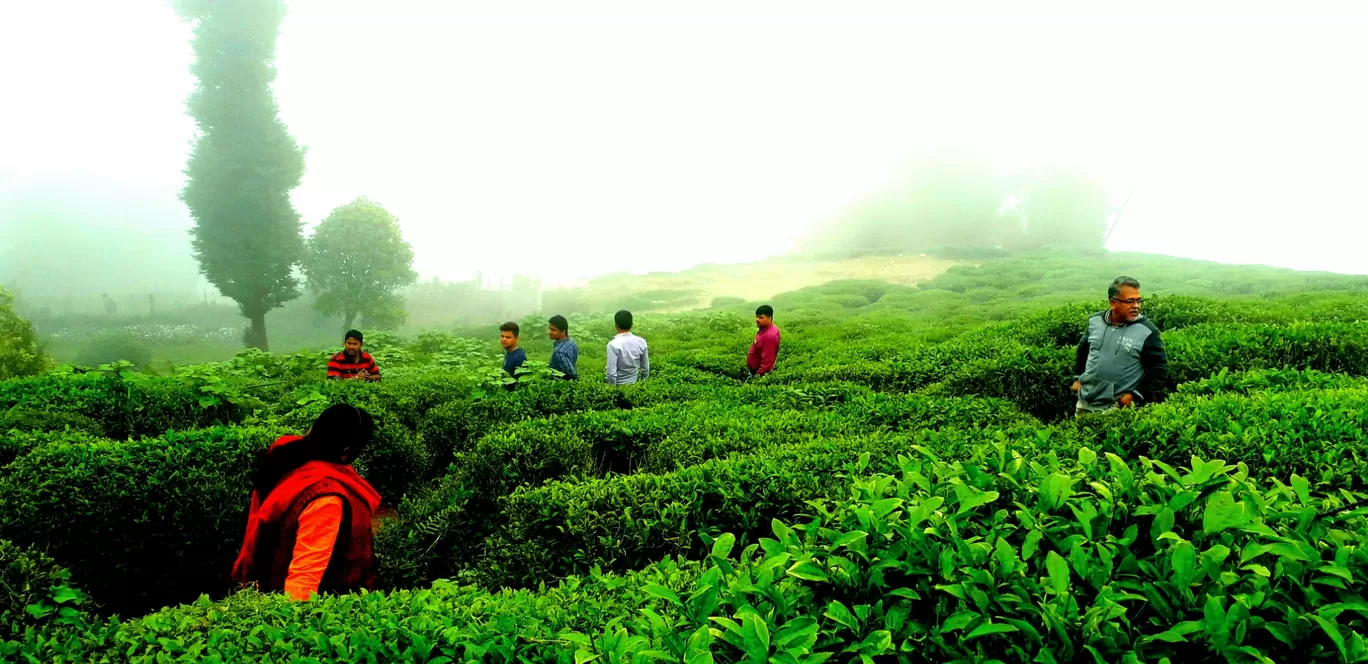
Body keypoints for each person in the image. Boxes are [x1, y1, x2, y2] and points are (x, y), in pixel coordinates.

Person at [230, 403, 381, 601]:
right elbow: (304, 576)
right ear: (347, 450)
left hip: (269, 581)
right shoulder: (327, 498)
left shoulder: (289, 457)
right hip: (323, 607)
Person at [1072, 276, 1170, 417]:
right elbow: (1083, 351)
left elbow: (1159, 368)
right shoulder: (1095, 322)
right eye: (1130, 301)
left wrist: (1135, 396)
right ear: (1113, 303)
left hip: (1117, 408)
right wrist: (1077, 379)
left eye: (1138, 301)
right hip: (1084, 403)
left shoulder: (1147, 331)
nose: (1136, 306)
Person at [605, 309, 649, 385]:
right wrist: (642, 384)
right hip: (634, 383)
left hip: (618, 385)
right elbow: (645, 367)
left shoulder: (613, 344)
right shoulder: (641, 342)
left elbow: (611, 373)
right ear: (631, 323)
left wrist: (612, 391)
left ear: (616, 324)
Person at [745, 304, 781, 379]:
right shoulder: (764, 329)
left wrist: (757, 378)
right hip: (754, 370)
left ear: (769, 318)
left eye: (761, 317)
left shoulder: (769, 336)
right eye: (757, 316)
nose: (757, 319)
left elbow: (768, 362)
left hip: (758, 373)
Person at [547, 315, 579, 380]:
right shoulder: (571, 342)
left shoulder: (559, 351)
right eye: (549, 329)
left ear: (563, 331)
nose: (549, 332)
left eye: (553, 330)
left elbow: (571, 374)